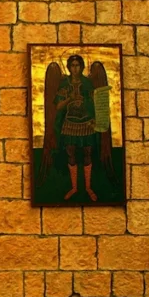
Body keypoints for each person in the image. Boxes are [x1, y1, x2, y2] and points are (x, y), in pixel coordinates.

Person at [53, 54, 99, 201]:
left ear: (81, 67)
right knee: (71, 153)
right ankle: (74, 187)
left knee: (87, 153)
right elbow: (58, 106)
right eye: (72, 66)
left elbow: (95, 104)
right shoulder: (64, 84)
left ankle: (88, 187)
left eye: (77, 65)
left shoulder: (87, 83)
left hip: (86, 123)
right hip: (70, 124)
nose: (75, 68)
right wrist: (70, 99)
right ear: (69, 67)